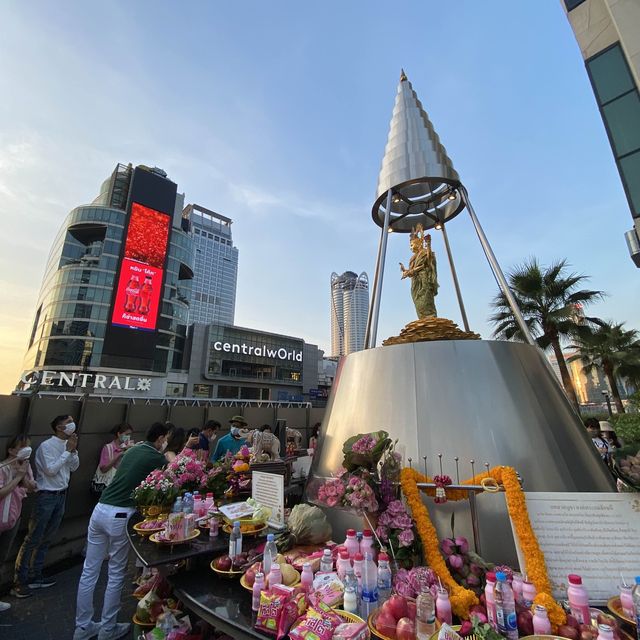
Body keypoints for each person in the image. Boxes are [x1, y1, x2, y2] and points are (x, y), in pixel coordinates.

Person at [73, 422, 169, 640]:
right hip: (120, 514)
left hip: (100, 510)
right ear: (161, 438)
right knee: (116, 573)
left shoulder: (133, 449)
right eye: (166, 439)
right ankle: (108, 628)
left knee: (89, 571)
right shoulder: (155, 456)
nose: (166, 443)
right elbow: (170, 472)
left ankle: (83, 627)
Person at [13, 414, 79, 598]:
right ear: (58, 427)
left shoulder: (69, 445)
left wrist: (72, 452)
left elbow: (73, 467)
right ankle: (20, 580)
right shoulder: (47, 446)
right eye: (68, 422)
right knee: (33, 537)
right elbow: (50, 470)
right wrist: (67, 451)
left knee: (47, 537)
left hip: (61, 495)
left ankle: (36, 575)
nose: (72, 425)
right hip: (46, 496)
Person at [0, 435, 37, 612]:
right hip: (2, 516)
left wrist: (24, 476)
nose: (27, 449)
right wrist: (17, 477)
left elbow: (31, 487)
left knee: (2, 556)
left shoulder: (25, 466)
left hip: (13, 518)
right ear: (11, 450)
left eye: (28, 446)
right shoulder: (3, 468)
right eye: (22, 447)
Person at [400, 223, 439, 319]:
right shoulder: (413, 258)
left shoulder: (424, 252)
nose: (411, 247)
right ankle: (422, 321)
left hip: (424, 280)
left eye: (412, 244)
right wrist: (405, 270)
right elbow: (412, 271)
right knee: (417, 303)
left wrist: (428, 244)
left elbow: (428, 261)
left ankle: (431, 320)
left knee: (425, 301)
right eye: (410, 245)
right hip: (416, 283)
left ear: (419, 242)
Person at [91, 424, 133, 496]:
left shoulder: (128, 448)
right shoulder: (108, 448)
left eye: (130, 434)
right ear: (119, 434)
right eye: (127, 434)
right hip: (106, 486)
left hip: (120, 486)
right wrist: (120, 454)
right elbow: (103, 469)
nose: (128, 437)